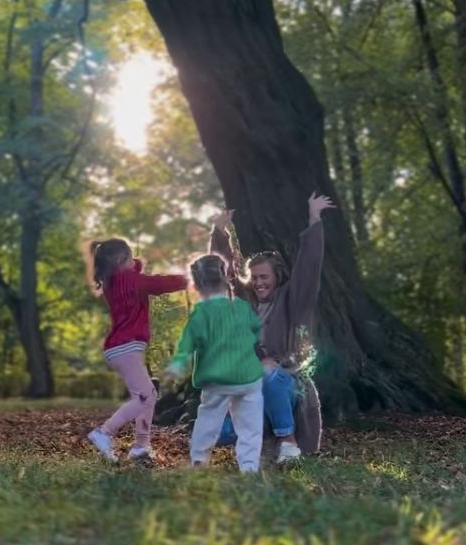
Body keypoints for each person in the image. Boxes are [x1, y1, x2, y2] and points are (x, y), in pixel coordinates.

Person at [210, 193, 334, 464]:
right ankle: (256, 440)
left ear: (277, 277)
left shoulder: (292, 299)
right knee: (219, 430)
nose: (258, 283)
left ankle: (288, 443)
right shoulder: (246, 301)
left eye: (264, 277)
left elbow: (308, 269)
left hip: (285, 380)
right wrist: (220, 232)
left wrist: (314, 219)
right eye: (253, 277)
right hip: (250, 384)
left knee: (271, 377)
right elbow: (223, 275)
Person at [83, 238, 188, 463]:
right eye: (131, 258)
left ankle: (141, 446)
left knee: (144, 396)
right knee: (147, 395)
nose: (135, 262)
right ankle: (104, 433)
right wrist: (189, 279)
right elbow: (160, 284)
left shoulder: (113, 281)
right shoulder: (132, 281)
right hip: (126, 347)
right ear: (122, 260)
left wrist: (132, 262)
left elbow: (136, 274)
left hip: (120, 349)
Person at [164, 254, 264, 473]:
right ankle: (249, 466)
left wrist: (177, 365)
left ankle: (199, 460)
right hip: (249, 377)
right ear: (224, 278)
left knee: (208, 419)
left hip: (217, 378)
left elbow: (187, 344)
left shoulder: (201, 312)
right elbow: (256, 331)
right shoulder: (241, 306)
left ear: (197, 285)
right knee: (251, 426)